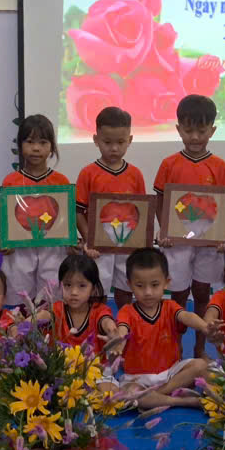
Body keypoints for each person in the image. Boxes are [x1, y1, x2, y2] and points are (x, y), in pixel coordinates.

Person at [154, 94, 225, 359]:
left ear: (212, 130)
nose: (195, 137)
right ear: (179, 129)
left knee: (202, 293)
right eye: (189, 131)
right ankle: (174, 349)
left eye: (202, 130)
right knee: (177, 296)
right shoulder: (169, 164)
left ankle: (199, 349)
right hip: (177, 242)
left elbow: (224, 206)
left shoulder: (219, 166)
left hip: (209, 244)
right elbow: (160, 200)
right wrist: (164, 229)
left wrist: (224, 236)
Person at [114, 248, 222, 408]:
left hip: (171, 373)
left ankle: (157, 396)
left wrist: (205, 327)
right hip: (138, 378)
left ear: (166, 282)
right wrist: (118, 343)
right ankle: (183, 401)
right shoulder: (127, 311)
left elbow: (187, 316)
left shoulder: (170, 306)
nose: (148, 292)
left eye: (155, 285)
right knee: (129, 393)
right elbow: (122, 330)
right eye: (140, 286)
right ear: (129, 285)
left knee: (201, 365)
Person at [75, 106, 147, 307]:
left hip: (128, 241)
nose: (114, 148)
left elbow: (142, 211)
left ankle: (123, 321)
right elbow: (78, 212)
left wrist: (141, 240)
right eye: (107, 142)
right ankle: (98, 323)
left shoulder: (135, 174)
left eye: (120, 142)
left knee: (126, 287)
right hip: (99, 245)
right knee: (97, 289)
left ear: (130, 140)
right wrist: (89, 240)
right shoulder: (88, 173)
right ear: (96, 139)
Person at [0, 114, 72, 305]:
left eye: (43, 142)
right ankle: (21, 324)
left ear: (52, 147)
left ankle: (48, 324)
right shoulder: (11, 181)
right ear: (20, 145)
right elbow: (6, 218)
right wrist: (4, 241)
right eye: (30, 141)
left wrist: (71, 242)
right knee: (19, 295)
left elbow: (66, 219)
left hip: (52, 247)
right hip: (19, 247)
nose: (36, 148)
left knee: (51, 295)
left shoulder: (61, 182)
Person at [45, 253, 118, 350]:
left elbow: (106, 322)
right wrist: (30, 320)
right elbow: (44, 315)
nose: (74, 292)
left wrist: (112, 330)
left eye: (82, 286)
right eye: (68, 285)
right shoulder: (57, 309)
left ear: (93, 289)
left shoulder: (100, 311)